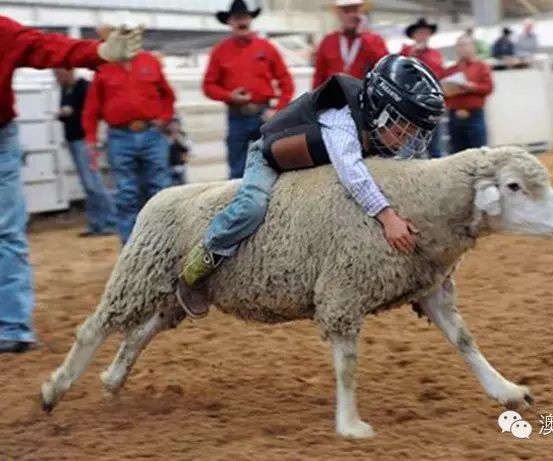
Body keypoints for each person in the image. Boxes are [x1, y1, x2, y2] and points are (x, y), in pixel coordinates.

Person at [175, 55, 445, 318]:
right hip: (270, 159)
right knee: (251, 207)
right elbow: (353, 174)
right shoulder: (341, 123)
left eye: (412, 134)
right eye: (401, 132)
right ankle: (198, 267)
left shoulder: (376, 129)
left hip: (313, 171)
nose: (404, 143)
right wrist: (387, 216)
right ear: (381, 114)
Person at [0, 15, 142, 353]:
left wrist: (99, 52)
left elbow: (47, 46)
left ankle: (13, 327)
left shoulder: (3, 32)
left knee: (6, 230)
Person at [82, 39, 176, 245]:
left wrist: (165, 117)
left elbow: (167, 95)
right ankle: (131, 247)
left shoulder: (149, 62)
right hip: (120, 136)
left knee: (161, 189)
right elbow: (92, 107)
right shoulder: (103, 67)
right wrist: (91, 138)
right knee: (126, 194)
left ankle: (167, 243)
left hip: (151, 132)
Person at [204, 0, 294, 179]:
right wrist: (229, 96)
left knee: (273, 165)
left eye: (244, 17)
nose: (241, 22)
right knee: (236, 170)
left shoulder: (266, 48)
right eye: (237, 18)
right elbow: (208, 86)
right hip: (236, 117)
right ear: (230, 22)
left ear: (250, 19)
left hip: (264, 116)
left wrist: (278, 110)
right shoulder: (220, 51)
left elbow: (286, 82)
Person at [54, 68, 117, 237]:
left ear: (68, 72)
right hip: (75, 139)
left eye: (58, 74)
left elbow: (93, 112)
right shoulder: (67, 89)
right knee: (89, 184)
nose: (56, 78)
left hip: (84, 140)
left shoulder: (84, 87)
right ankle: (97, 223)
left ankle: (109, 221)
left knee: (93, 183)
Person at [312, 0, 389, 89]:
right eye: (346, 11)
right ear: (339, 15)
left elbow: (383, 66)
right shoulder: (328, 40)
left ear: (361, 14)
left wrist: (363, 36)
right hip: (333, 96)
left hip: (361, 95)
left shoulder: (374, 40)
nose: (352, 15)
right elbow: (319, 75)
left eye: (355, 11)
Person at [400, 17, 444, 157]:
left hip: (431, 105)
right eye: (420, 32)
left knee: (435, 146)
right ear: (414, 35)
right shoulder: (405, 51)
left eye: (425, 32)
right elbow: (400, 71)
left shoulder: (435, 54)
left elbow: (438, 74)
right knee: (409, 146)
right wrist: (413, 54)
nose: (423, 36)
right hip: (411, 105)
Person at [441, 34, 493, 153]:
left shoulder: (481, 67)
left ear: (473, 47)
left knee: (480, 153)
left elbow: (489, 88)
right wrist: (447, 91)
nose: (462, 48)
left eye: (465, 45)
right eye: (459, 45)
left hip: (474, 115)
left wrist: (473, 87)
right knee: (456, 154)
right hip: (454, 116)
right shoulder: (450, 70)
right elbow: (443, 91)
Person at [165, 115, 191, 186]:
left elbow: (187, 148)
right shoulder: (165, 137)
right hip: (168, 167)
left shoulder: (183, 135)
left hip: (180, 166)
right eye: (172, 125)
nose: (174, 127)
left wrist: (178, 139)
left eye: (176, 125)